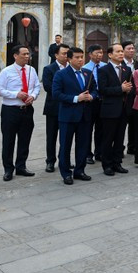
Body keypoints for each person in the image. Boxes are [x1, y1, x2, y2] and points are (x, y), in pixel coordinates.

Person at [0, 45, 41, 181]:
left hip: (27, 110)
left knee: (24, 139)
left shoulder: (31, 70)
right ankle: (8, 169)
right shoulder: (6, 71)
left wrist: (32, 96)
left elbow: (37, 86)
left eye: (28, 54)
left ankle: (21, 166)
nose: (27, 57)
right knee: (8, 141)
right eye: (24, 54)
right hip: (11, 110)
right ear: (15, 56)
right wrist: (16, 94)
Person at [52, 47, 95, 185]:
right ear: (69, 59)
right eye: (77, 57)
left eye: (82, 57)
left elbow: (95, 89)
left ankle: (80, 170)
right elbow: (57, 94)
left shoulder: (88, 73)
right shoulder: (61, 74)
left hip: (85, 115)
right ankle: (66, 173)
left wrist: (91, 97)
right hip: (68, 116)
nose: (80, 60)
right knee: (65, 145)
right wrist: (77, 98)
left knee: (83, 144)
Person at [97, 43, 133, 176]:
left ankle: (117, 163)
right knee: (108, 138)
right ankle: (107, 165)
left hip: (123, 109)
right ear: (110, 54)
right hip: (110, 109)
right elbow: (102, 90)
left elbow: (129, 86)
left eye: (122, 51)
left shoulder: (126, 70)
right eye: (117, 52)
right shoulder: (103, 70)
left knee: (119, 138)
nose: (121, 54)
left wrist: (128, 89)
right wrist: (120, 89)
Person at [41, 43, 69, 173]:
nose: (66, 56)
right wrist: (67, 92)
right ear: (56, 55)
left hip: (69, 107)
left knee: (66, 136)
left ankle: (64, 160)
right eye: (63, 53)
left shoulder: (73, 68)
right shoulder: (49, 69)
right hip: (54, 108)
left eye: (68, 53)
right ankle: (50, 161)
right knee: (51, 136)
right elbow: (48, 87)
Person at [83, 44, 107, 164]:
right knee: (88, 129)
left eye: (101, 53)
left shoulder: (105, 67)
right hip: (91, 102)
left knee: (101, 129)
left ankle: (100, 152)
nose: (100, 55)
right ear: (90, 54)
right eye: (97, 53)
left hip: (103, 101)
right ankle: (87, 154)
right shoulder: (85, 69)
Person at [121, 41, 137, 156]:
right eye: (128, 48)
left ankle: (132, 146)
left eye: (133, 48)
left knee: (134, 124)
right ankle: (119, 148)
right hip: (123, 99)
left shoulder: (137, 64)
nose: (131, 50)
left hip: (136, 98)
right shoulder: (119, 64)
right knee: (121, 126)